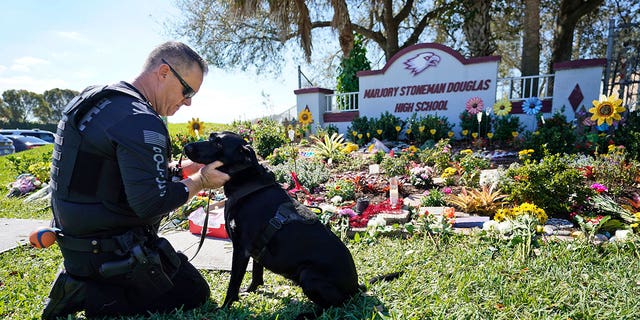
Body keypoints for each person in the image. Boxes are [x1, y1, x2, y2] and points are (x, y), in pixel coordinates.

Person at [42, 41, 229, 319]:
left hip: (77, 242)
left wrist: (185, 170)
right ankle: (86, 293)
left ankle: (84, 281)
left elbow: (113, 175)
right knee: (194, 292)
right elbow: (152, 203)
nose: (188, 101)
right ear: (164, 72)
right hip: (110, 249)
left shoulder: (100, 100)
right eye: (186, 90)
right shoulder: (141, 120)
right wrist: (201, 182)